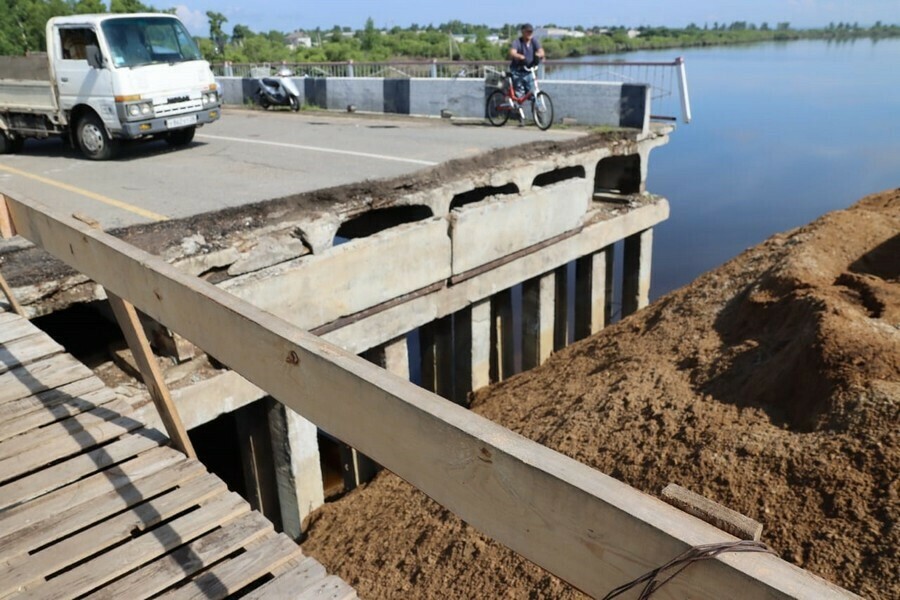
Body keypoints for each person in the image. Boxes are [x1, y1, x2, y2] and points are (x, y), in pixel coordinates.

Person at [508, 23, 544, 101]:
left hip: (529, 70)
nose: (529, 33)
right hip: (518, 71)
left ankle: (536, 111)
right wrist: (519, 56)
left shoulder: (534, 41)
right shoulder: (517, 42)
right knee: (519, 94)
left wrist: (538, 55)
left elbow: (541, 52)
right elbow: (512, 52)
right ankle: (517, 111)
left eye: (531, 32)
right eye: (527, 32)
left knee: (532, 93)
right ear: (523, 32)